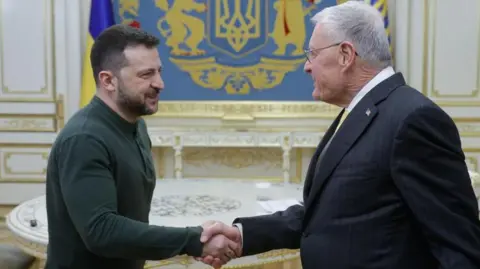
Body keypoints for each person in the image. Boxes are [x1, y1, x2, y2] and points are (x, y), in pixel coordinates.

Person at [199, 2, 480, 269]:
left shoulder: (413, 120)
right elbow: (326, 216)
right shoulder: (361, 111)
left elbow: (458, 246)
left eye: (313, 54)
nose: (307, 66)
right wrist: (244, 234)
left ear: (345, 55)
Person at [44, 25, 240, 269]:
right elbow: (101, 231)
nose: (160, 83)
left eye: (159, 72)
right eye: (146, 75)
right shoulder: (85, 139)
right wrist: (194, 240)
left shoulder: (137, 127)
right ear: (108, 80)